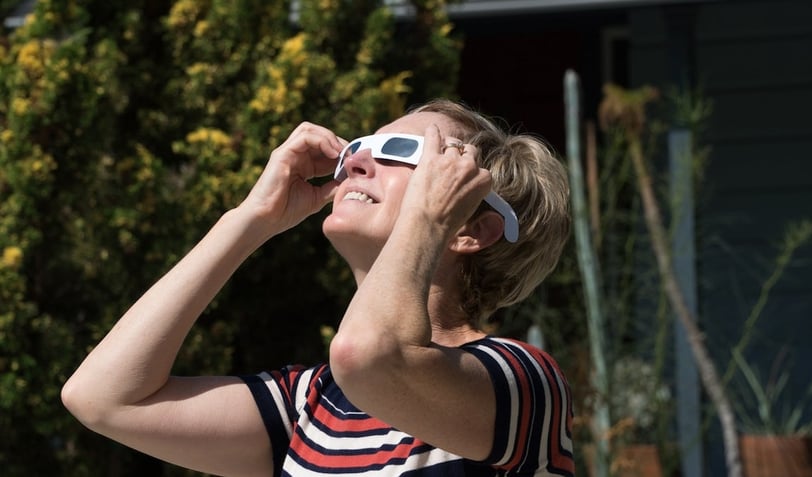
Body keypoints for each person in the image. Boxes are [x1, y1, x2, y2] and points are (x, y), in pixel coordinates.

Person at [62, 99, 575, 476]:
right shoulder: (312, 404)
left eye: (399, 151)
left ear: (473, 228)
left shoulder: (523, 381)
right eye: (358, 147)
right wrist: (251, 220)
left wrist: (429, 218)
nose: (354, 160)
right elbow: (104, 398)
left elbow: (370, 357)